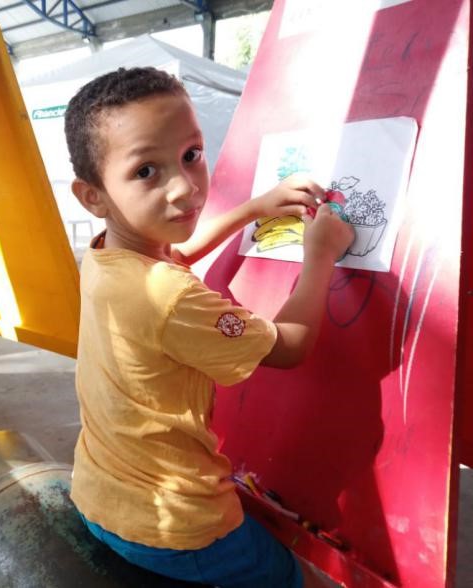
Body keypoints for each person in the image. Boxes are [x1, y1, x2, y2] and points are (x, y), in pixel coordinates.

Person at [63, 67, 354, 587]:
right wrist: (321, 256)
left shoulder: (109, 257)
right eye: (146, 171)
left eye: (191, 155)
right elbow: (290, 348)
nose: (184, 187)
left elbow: (178, 252)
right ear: (93, 196)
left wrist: (256, 208)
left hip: (98, 492)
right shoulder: (169, 297)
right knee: (298, 578)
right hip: (178, 526)